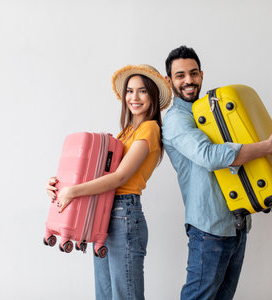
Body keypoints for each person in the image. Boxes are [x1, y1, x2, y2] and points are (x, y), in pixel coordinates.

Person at [162, 45, 272, 300]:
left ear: (201, 74)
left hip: (237, 221)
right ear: (169, 80)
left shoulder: (212, 109)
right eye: (180, 76)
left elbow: (249, 132)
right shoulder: (176, 121)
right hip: (208, 226)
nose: (188, 80)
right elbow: (209, 156)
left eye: (193, 73)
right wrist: (267, 147)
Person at [45, 64, 172, 300]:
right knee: (104, 295)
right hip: (104, 213)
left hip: (125, 215)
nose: (134, 97)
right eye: (130, 91)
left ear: (153, 95)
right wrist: (60, 185)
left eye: (142, 91)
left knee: (125, 296)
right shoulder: (125, 132)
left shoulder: (150, 129)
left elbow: (119, 177)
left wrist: (72, 192)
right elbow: (94, 172)